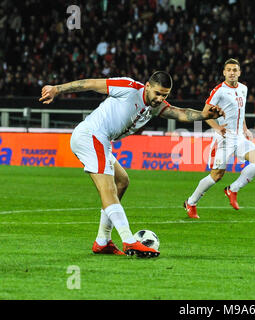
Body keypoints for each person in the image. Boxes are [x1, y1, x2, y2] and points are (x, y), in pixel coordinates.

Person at [39, 71, 224, 257]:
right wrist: (56, 89)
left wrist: (203, 114)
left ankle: (103, 241)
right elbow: (91, 84)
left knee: (122, 182)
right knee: (108, 189)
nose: (160, 98)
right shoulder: (128, 87)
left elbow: (180, 113)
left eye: (165, 95)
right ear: (148, 86)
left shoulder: (154, 106)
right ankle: (129, 240)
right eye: (158, 93)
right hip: (91, 135)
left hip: (102, 141)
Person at [184, 58, 255, 219]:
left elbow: (240, 112)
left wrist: (244, 128)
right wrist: (217, 127)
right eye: (228, 70)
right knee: (216, 175)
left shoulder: (243, 88)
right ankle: (191, 202)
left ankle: (233, 189)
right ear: (224, 72)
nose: (232, 72)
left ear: (239, 72)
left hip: (240, 137)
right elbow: (204, 113)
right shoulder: (219, 91)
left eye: (235, 70)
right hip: (224, 139)